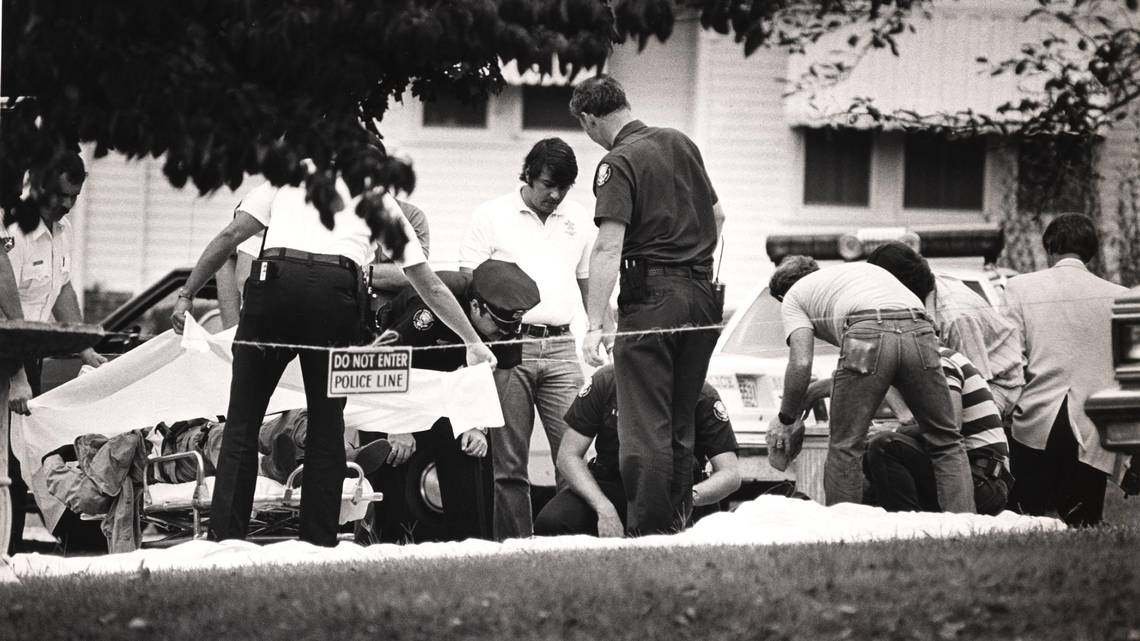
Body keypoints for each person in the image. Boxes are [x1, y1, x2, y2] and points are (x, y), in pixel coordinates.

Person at [170, 144, 496, 547]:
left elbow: (231, 236)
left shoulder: (286, 177)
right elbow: (426, 281)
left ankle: (225, 539)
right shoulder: (378, 200)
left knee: (241, 424)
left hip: (273, 284)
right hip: (334, 293)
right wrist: (473, 341)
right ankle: (317, 543)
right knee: (328, 427)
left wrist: (186, 293)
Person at [570, 75, 725, 535]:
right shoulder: (681, 143)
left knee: (644, 430)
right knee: (680, 425)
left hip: (653, 299)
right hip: (702, 297)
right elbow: (717, 215)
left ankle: (647, 535)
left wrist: (596, 323)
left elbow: (607, 247)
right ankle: (677, 528)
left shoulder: (618, 161)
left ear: (589, 118)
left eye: (586, 129)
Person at [458, 138, 592, 540]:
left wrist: (601, 330)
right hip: (508, 345)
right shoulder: (491, 215)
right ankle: (514, 548)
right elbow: (469, 285)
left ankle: (573, 545)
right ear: (529, 174)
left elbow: (586, 281)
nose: (555, 195)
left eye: (563, 187)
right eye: (548, 184)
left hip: (563, 344)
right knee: (509, 463)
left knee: (573, 455)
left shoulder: (579, 218)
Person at [766, 256, 975, 513]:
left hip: (866, 329)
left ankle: (847, 536)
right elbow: (885, 363)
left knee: (845, 446)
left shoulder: (793, 297)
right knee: (946, 441)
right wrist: (903, 413)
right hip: (919, 327)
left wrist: (786, 419)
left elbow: (801, 362)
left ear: (780, 296)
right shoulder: (852, 277)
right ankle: (965, 526)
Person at [358, 259, 541, 543]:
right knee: (395, 465)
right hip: (393, 386)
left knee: (474, 454)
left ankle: (471, 552)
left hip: (446, 387)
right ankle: (388, 551)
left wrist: (477, 426)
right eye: (497, 326)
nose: (502, 334)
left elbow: (496, 378)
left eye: (510, 328)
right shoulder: (431, 308)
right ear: (475, 307)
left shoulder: (505, 327)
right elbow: (382, 364)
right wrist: (398, 427)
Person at [1, 150, 108, 554]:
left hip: (27, 352)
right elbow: (3, 301)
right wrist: (14, 375)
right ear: (41, 185)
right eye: (60, 195)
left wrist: (86, 350)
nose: (65, 205)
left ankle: (7, 554)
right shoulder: (13, 227)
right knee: (5, 463)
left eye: (74, 197)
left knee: (17, 461)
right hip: (5, 350)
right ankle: (3, 554)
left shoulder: (60, 231)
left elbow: (60, 289)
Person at [1002, 214, 1128, 526]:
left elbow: (1011, 357)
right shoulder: (1121, 296)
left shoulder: (1019, 287)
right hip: (1094, 423)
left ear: (1049, 247)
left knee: (1024, 520)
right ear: (1091, 251)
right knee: (1083, 522)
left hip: (1035, 416)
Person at [534, 364, 740, 537]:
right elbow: (568, 456)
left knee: (706, 543)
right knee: (552, 523)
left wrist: (690, 498)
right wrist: (603, 509)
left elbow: (730, 474)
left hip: (676, 490)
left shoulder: (701, 393)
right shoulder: (606, 381)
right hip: (611, 484)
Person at [865, 242, 1024, 417]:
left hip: (997, 385)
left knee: (953, 427)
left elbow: (975, 387)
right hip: (950, 381)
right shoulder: (920, 294)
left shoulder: (956, 316)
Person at [860, 347, 1012, 516]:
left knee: (885, 445)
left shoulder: (940, 362)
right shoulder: (924, 365)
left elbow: (950, 426)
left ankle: (908, 528)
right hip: (974, 475)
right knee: (871, 454)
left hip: (982, 480)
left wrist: (896, 429)